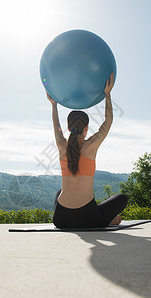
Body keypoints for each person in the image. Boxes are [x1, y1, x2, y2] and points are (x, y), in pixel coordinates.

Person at [47, 73, 128, 228]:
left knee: (60, 192)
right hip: (87, 217)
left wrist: (54, 105)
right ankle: (105, 219)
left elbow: (56, 129)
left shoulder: (61, 144)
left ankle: (100, 217)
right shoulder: (91, 145)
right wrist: (107, 94)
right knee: (122, 198)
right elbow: (108, 121)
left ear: (69, 128)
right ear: (86, 129)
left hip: (61, 219)